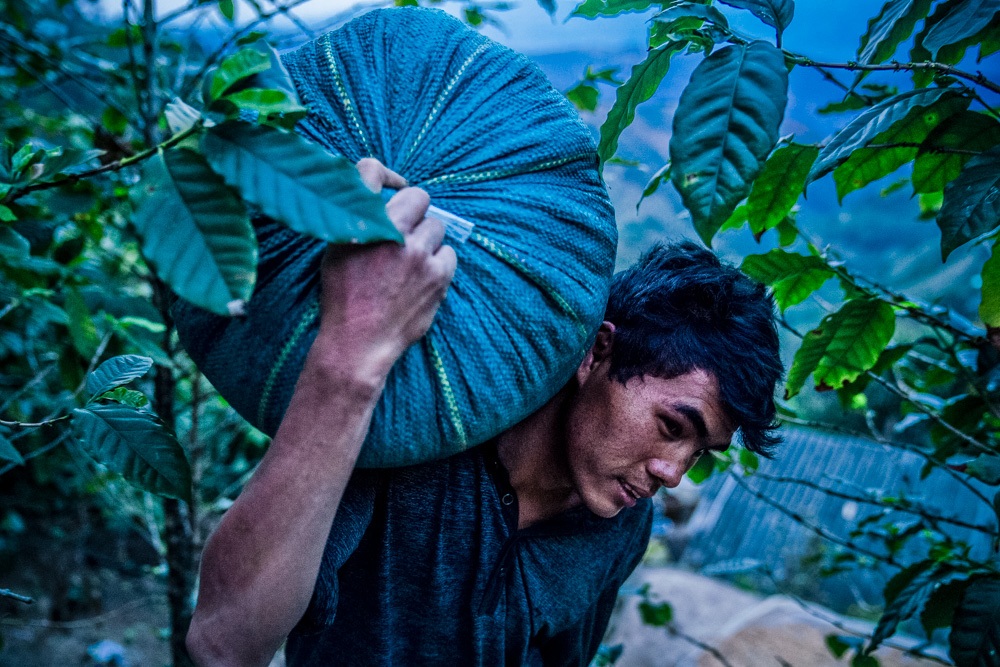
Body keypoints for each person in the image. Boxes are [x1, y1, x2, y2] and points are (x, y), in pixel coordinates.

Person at [185, 159, 783, 667]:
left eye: (699, 453)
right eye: (672, 428)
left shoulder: (620, 526)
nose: (673, 474)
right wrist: (349, 362)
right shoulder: (416, 438)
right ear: (597, 353)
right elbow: (222, 643)